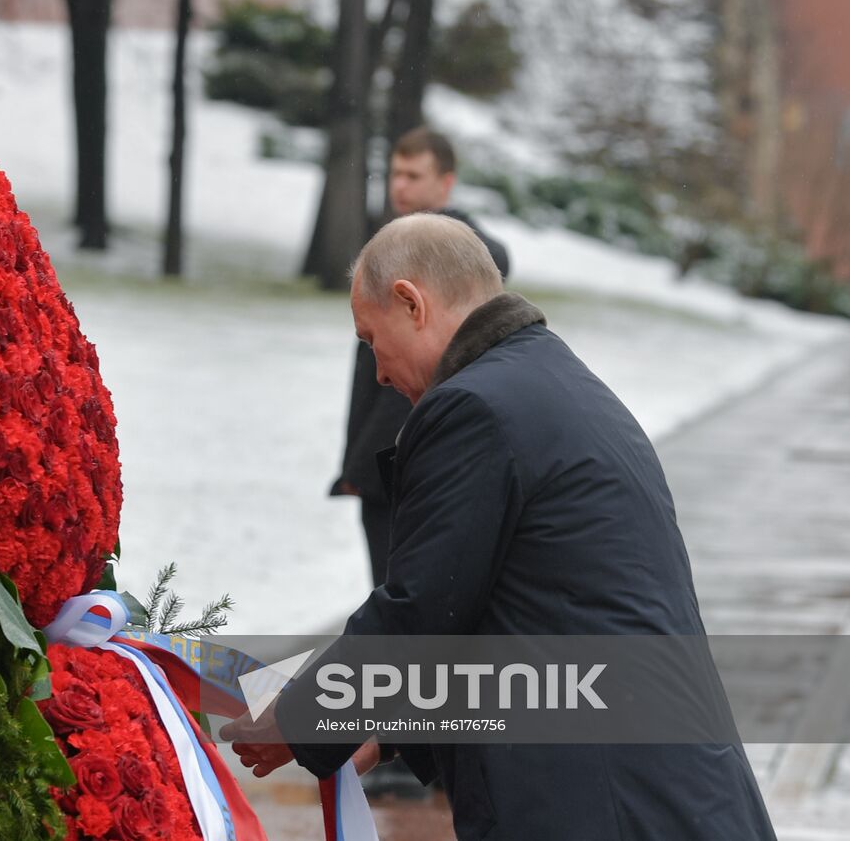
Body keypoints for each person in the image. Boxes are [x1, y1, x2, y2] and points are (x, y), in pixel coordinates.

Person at [226, 214, 776, 839]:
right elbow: (523, 623)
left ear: (411, 303)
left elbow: (421, 610)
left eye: (371, 339)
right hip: (663, 785)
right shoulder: (551, 380)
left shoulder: (473, 408)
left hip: (600, 798)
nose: (377, 372)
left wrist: (301, 718)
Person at [334, 126, 508, 588]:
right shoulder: (390, 250)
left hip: (417, 454)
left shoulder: (465, 252)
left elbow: (414, 376)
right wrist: (355, 461)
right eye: (395, 174)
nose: (400, 186)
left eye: (413, 175)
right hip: (380, 459)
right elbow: (372, 372)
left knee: (409, 593)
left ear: (446, 182)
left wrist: (368, 462)